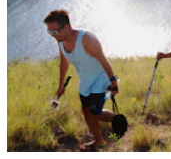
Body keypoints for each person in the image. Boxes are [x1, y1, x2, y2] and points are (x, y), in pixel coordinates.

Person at [44, 10, 119, 151]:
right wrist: (61, 85)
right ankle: (101, 138)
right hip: (85, 81)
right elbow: (64, 63)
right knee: (86, 111)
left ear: (66, 27)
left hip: (100, 79)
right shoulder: (60, 41)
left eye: (54, 32)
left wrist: (113, 83)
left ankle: (110, 126)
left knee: (93, 112)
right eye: (49, 32)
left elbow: (104, 60)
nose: (52, 36)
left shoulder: (87, 39)